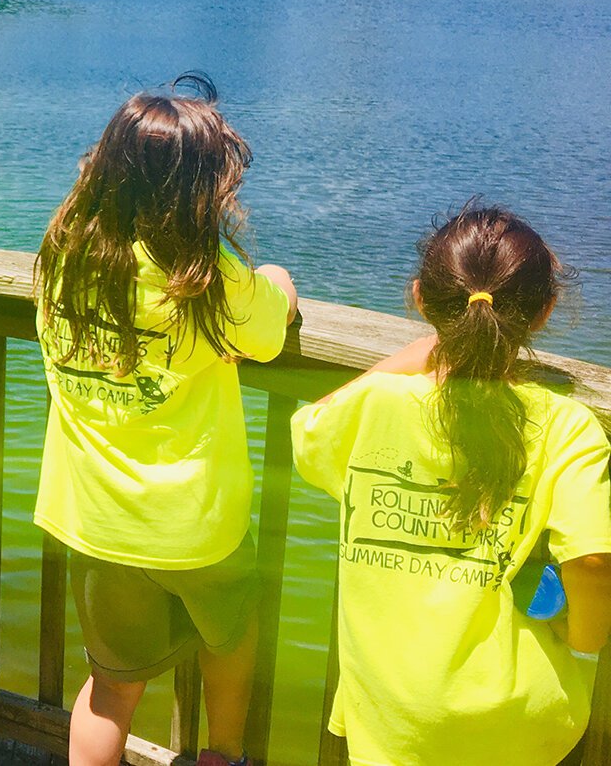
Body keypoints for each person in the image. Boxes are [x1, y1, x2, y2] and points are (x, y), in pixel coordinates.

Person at [33, 74, 297, 766]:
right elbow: (272, 327)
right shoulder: (208, 280)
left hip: (97, 519)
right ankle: (223, 752)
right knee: (231, 638)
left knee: (110, 687)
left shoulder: (62, 260)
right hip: (198, 524)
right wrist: (276, 275)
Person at [291, 205, 611, 766]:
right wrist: (585, 641)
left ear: (420, 298)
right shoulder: (566, 425)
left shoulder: (373, 406)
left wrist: (415, 355)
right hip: (518, 723)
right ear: (544, 312)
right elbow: (592, 562)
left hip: (391, 716)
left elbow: (310, 429)